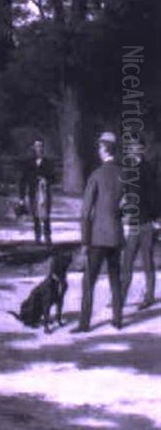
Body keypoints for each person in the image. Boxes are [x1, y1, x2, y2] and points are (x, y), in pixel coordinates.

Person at [72, 132, 125, 333]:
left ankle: (84, 323)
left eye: (99, 148)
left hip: (97, 236)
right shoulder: (124, 174)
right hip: (116, 234)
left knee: (89, 281)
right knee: (115, 277)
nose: (98, 151)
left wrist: (85, 241)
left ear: (104, 149)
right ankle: (118, 319)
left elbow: (85, 212)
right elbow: (127, 205)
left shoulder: (96, 175)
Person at [121, 140, 158, 310]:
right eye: (129, 147)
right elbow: (126, 194)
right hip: (133, 224)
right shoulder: (128, 171)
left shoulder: (148, 169)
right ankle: (120, 298)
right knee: (127, 260)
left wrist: (157, 219)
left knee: (147, 262)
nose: (130, 149)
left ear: (141, 150)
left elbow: (156, 196)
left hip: (147, 223)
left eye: (134, 146)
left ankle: (149, 297)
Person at [19, 138, 55, 245]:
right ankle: (37, 237)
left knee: (46, 215)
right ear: (33, 148)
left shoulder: (48, 163)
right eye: (36, 146)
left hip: (45, 193)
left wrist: (46, 179)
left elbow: (53, 178)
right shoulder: (28, 163)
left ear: (43, 148)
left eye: (40, 146)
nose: (38, 149)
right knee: (35, 215)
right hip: (33, 192)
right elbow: (23, 180)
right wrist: (21, 197)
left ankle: (48, 237)